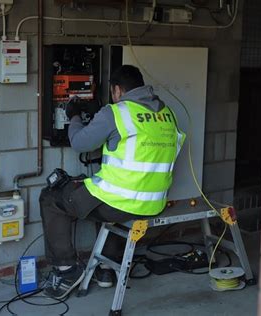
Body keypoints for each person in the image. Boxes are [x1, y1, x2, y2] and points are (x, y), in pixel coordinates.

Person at [39, 65, 185, 299]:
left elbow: (80, 143)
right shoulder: (167, 113)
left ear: (117, 90)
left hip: (121, 202)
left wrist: (74, 114)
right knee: (96, 190)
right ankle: (106, 270)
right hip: (154, 203)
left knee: (51, 197)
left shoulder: (116, 112)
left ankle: (65, 271)